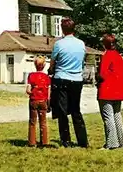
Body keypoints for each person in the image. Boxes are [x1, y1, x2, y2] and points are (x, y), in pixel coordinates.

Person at [49, 18, 88, 148]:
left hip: (62, 78)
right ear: (73, 29)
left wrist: (51, 70)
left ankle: (66, 140)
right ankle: (83, 141)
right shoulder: (81, 44)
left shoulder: (59, 44)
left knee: (62, 111)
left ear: (62, 29)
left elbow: (53, 62)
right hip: (76, 79)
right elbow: (82, 62)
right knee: (76, 110)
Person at [97, 34, 123, 150]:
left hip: (107, 90)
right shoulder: (119, 56)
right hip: (118, 90)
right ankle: (120, 142)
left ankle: (111, 143)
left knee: (108, 117)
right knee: (117, 115)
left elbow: (102, 74)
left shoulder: (106, 56)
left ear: (105, 44)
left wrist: (96, 77)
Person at [26, 55, 51, 147]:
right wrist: (48, 103)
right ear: (44, 65)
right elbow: (48, 93)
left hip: (34, 100)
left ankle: (32, 142)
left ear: (34, 65)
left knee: (32, 122)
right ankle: (44, 142)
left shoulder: (31, 76)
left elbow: (28, 89)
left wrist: (31, 92)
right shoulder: (47, 77)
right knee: (43, 122)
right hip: (43, 101)